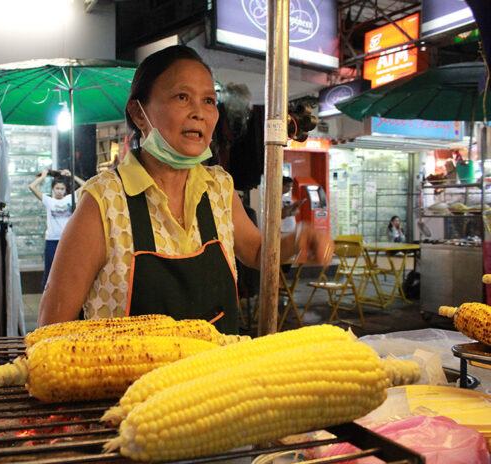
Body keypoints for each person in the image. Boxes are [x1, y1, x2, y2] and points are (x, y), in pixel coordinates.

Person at [37, 45, 333, 334]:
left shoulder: (218, 188)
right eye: (182, 97)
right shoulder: (104, 201)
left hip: (218, 379)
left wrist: (297, 240)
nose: (199, 113)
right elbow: (52, 326)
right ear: (139, 114)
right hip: (132, 384)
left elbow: (256, 250)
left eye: (209, 101)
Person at [29, 168, 85, 290]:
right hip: (51, 241)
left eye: (62, 189)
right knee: (49, 272)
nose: (59, 191)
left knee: (67, 270)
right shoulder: (49, 201)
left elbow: (86, 185)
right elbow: (32, 187)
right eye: (57, 188)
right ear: (53, 189)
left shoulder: (70, 199)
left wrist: (72, 176)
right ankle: (46, 296)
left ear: (65, 190)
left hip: (66, 242)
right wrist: (43, 177)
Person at [280, 176, 306, 274]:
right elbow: (282, 214)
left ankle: (283, 280)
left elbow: (296, 212)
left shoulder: (287, 198)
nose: (288, 189)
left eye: (290, 187)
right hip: (282, 231)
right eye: (287, 186)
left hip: (291, 230)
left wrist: (291, 210)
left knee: (289, 258)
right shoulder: (275, 198)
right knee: (283, 258)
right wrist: (292, 208)